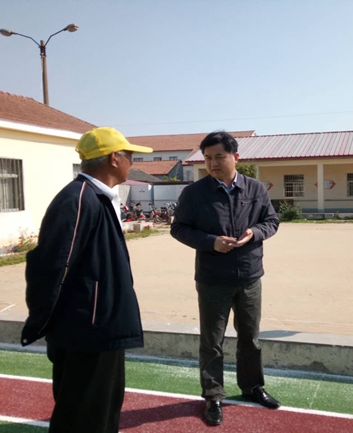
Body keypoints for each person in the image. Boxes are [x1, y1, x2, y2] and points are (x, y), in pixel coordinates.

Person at [21, 127, 153, 432]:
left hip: (102, 328)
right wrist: (43, 323)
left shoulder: (99, 197)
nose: (132, 161)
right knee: (81, 417)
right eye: (129, 155)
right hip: (86, 333)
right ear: (114, 158)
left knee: (103, 412)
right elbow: (51, 266)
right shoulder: (79, 199)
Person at [170, 131, 280, 426]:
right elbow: (179, 228)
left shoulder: (255, 188)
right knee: (212, 341)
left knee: (250, 338)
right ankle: (213, 396)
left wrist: (254, 233)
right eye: (208, 158)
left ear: (235, 157)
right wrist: (211, 242)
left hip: (249, 276)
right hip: (212, 280)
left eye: (219, 156)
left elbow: (272, 221)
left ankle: (252, 386)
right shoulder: (194, 193)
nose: (213, 163)